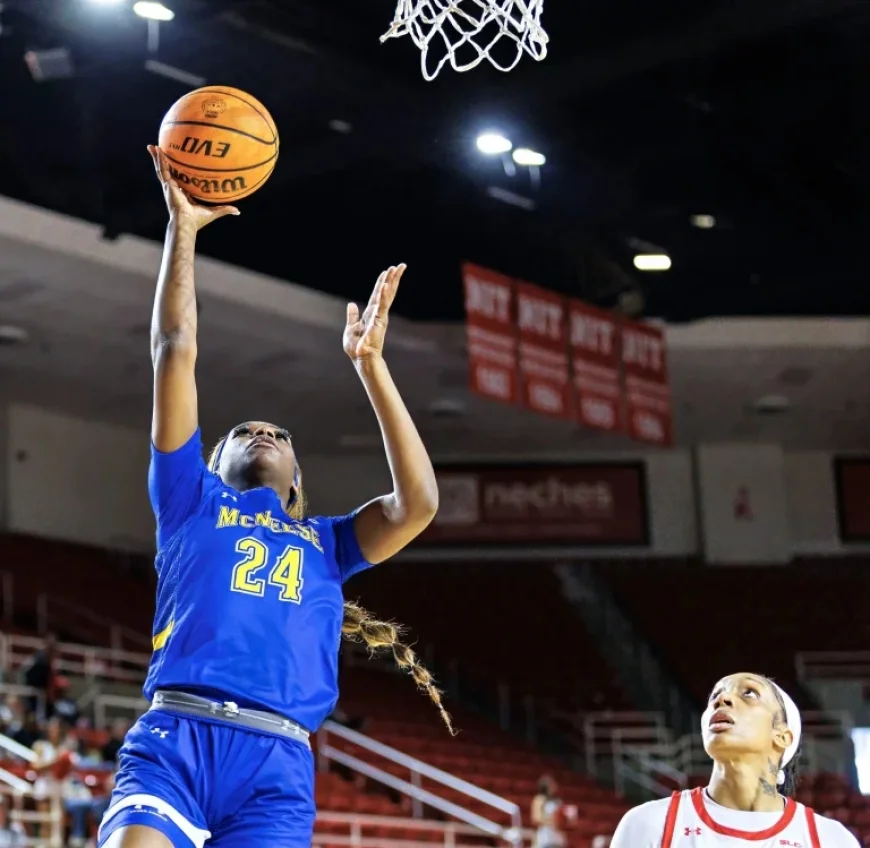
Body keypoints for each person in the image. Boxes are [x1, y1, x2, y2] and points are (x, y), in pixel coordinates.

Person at [98, 146, 447, 848]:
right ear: (213, 460)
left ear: (297, 478)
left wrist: (372, 369)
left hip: (276, 764)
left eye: (277, 432)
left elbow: (418, 505)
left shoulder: (328, 541)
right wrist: (183, 231)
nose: (261, 433)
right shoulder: (187, 497)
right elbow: (174, 345)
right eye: (243, 431)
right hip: (177, 739)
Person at [610, 672, 860, 848]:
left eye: (749, 693)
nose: (721, 700)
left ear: (782, 735)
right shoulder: (649, 824)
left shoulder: (831, 840)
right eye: (714, 697)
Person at [531, 775, 569, 848]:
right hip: (546, 838)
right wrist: (553, 821)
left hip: (559, 839)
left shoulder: (558, 801)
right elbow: (536, 818)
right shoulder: (539, 799)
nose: (554, 786)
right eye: (552, 784)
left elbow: (564, 820)